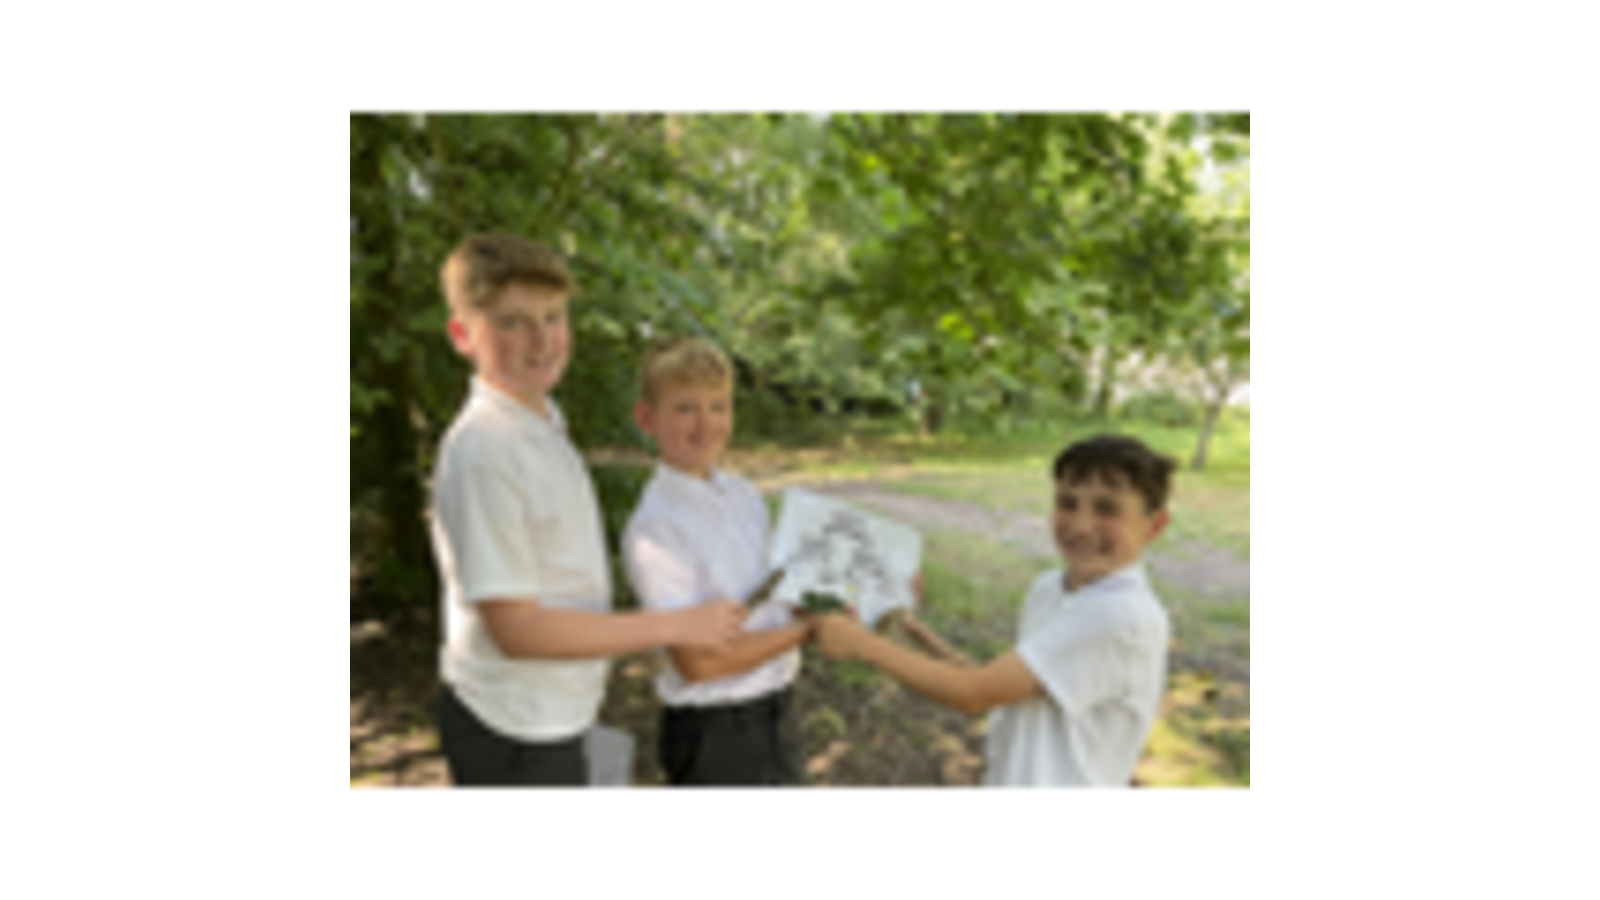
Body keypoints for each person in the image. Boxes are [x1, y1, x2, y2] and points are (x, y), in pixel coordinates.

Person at [428, 234, 746, 787]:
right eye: (512, 322)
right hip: (515, 728)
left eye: (553, 317)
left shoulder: (541, 420)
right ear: (463, 335)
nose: (541, 340)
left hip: (560, 708)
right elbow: (517, 631)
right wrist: (674, 624)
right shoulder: (485, 450)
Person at [808, 434, 1174, 787]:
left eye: (1107, 508)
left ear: (1154, 525)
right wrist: (929, 646)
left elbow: (974, 694)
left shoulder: (1120, 616)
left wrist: (862, 646)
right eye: (1067, 502)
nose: (1080, 525)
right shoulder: (1050, 587)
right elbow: (1010, 688)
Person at [621, 336, 812, 786]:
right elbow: (699, 663)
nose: (706, 424)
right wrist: (808, 632)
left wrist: (824, 602)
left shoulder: (744, 496)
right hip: (716, 734)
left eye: (718, 406)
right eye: (686, 408)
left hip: (778, 711)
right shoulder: (657, 528)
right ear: (647, 419)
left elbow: (776, 594)